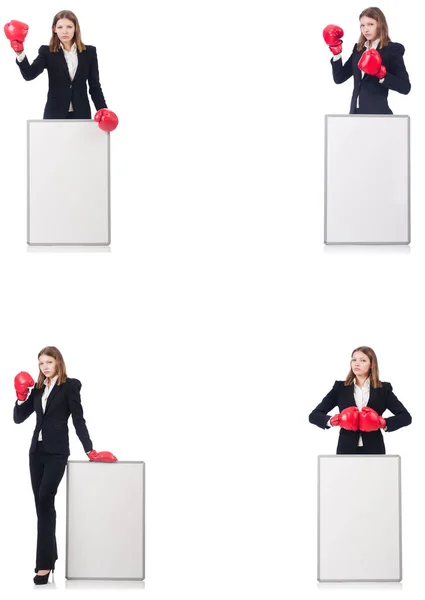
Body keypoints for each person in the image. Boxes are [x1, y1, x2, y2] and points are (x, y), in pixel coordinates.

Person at [13, 346, 117, 585]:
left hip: (57, 453)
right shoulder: (38, 389)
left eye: (49, 362)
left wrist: (89, 449)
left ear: (58, 362)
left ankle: (44, 566)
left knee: (45, 500)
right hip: (36, 454)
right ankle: (51, 556)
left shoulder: (70, 386)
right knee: (42, 507)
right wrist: (20, 396)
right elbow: (19, 418)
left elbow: (78, 419)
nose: (45, 367)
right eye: (41, 363)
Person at [4, 11, 118, 131]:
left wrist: (103, 110)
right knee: (52, 150)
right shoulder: (47, 52)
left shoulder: (89, 52)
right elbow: (29, 74)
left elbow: (94, 86)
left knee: (79, 150)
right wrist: (19, 52)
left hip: (81, 114)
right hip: (54, 114)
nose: (64, 31)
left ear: (75, 28)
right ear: (54, 29)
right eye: (60, 27)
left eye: (69, 26)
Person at [309, 346, 412, 454]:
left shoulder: (383, 389)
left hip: (374, 449)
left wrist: (383, 423)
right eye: (354, 359)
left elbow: (406, 417)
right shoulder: (340, 388)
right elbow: (314, 416)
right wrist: (333, 420)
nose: (356, 363)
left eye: (362, 360)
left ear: (372, 365)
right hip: (346, 449)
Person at [323, 7, 411, 114]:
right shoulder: (359, 49)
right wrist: (336, 53)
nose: (366, 29)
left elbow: (405, 88)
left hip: (379, 116)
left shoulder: (391, 50)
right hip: (355, 115)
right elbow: (339, 78)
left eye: (370, 24)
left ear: (380, 25)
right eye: (362, 25)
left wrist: (381, 74)